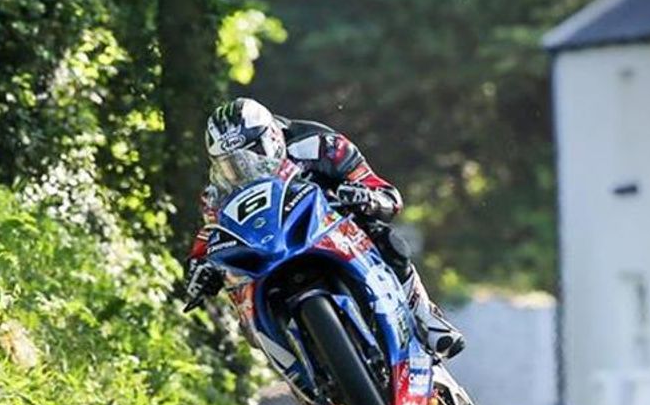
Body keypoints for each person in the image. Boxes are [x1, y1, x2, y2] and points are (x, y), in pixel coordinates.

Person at [183, 97, 465, 362]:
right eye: (232, 164)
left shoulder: (320, 144)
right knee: (241, 301)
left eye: (254, 153)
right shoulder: (216, 193)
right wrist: (200, 265)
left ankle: (425, 317)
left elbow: (380, 189)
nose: (246, 167)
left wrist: (368, 198)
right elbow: (210, 234)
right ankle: (303, 383)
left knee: (384, 237)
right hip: (268, 255)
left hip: (330, 229)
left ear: (272, 136)